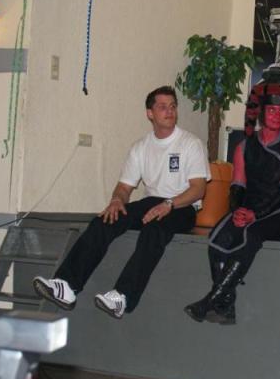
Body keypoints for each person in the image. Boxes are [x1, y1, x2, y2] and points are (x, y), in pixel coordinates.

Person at [33, 86, 210, 318]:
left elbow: (198, 189)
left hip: (181, 206)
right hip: (152, 202)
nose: (170, 111)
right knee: (105, 220)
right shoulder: (140, 147)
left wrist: (169, 204)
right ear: (150, 113)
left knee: (154, 229)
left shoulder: (190, 143)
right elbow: (125, 187)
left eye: (173, 106)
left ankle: (122, 297)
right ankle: (67, 286)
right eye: (163, 107)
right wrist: (117, 200)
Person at [184, 82, 280, 325]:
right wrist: (238, 210)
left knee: (250, 235)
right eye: (272, 110)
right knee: (217, 238)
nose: (277, 116)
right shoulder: (244, 146)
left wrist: (254, 215)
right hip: (248, 208)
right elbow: (237, 185)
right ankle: (226, 306)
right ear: (261, 113)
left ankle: (211, 301)